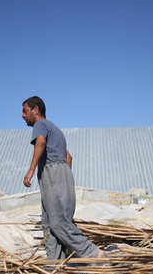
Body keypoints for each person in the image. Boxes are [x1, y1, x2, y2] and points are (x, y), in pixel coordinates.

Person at [21, 96, 103, 260]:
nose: (23, 116)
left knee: (57, 222)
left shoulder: (40, 125)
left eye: (25, 111)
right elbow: (68, 157)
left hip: (52, 173)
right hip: (62, 173)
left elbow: (41, 142)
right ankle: (55, 265)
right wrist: (64, 181)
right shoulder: (56, 130)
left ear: (35, 110)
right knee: (49, 224)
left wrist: (31, 170)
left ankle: (94, 253)